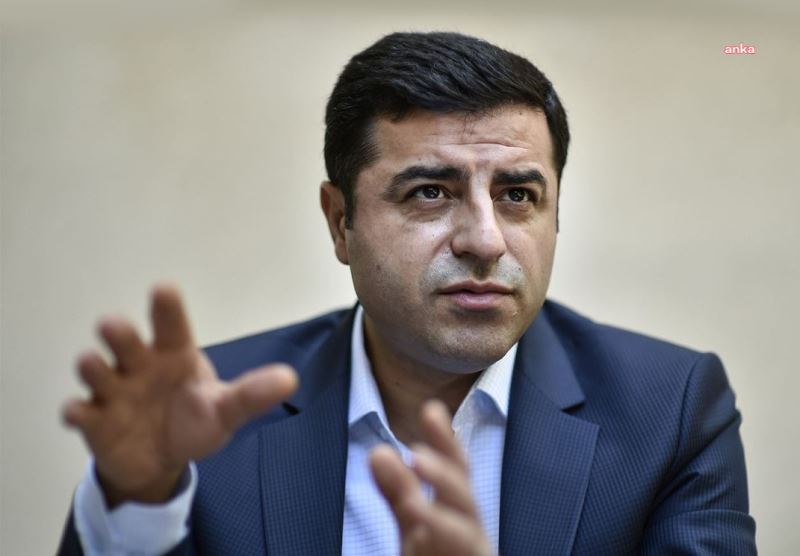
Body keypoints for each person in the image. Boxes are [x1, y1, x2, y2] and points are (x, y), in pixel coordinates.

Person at [57, 31, 756, 555]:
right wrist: (138, 502)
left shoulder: (669, 412)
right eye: (430, 192)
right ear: (341, 222)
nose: (485, 240)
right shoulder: (210, 419)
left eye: (518, 195)